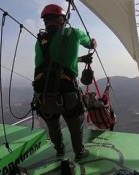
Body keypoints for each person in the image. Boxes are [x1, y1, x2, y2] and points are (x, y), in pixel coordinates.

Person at [32, 4, 96, 161]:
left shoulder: (40, 41)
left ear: (45, 22)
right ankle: (79, 152)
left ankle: (59, 150)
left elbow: (50, 63)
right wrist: (92, 43)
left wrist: (79, 59)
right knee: (75, 124)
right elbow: (90, 44)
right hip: (67, 93)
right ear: (62, 20)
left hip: (44, 93)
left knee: (53, 125)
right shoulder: (73, 32)